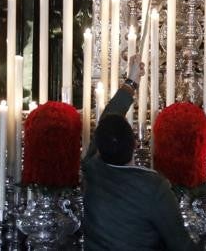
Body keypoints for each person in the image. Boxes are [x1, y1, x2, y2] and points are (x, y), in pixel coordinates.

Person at [82, 58, 196, 250]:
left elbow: (108, 119)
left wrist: (132, 81)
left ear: (100, 146)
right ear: (134, 144)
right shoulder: (153, 187)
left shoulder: (92, 169)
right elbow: (181, 244)